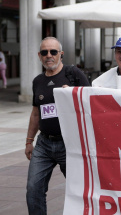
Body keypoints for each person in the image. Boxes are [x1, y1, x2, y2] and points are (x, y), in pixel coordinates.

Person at [26, 37, 90, 215]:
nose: (49, 56)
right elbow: (36, 113)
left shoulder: (74, 74)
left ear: (61, 54)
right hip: (44, 144)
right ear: (39, 56)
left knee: (80, 190)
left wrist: (73, 94)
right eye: (44, 52)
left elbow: (91, 102)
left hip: (69, 144)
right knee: (33, 189)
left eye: (53, 52)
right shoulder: (37, 81)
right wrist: (29, 141)